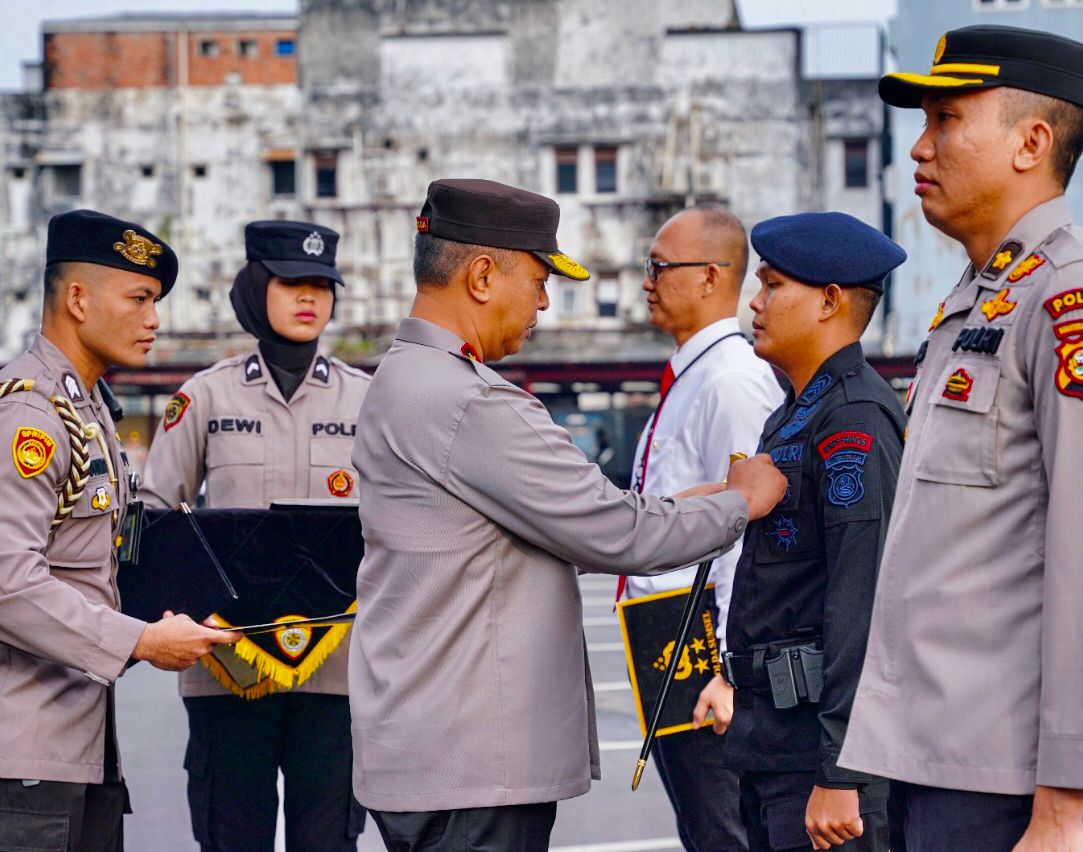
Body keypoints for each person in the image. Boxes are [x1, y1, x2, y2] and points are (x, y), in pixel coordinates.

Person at [350, 178, 788, 851]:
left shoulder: (404, 379)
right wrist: (742, 502)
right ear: (483, 274)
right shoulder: (470, 403)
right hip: (472, 767)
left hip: (432, 746)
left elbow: (582, 519)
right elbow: (616, 531)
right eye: (538, 278)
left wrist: (703, 499)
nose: (544, 301)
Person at [837, 25, 1083, 852]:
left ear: (1031, 142)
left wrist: (1065, 800)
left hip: (1007, 782)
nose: (919, 147)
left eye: (945, 120)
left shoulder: (1062, 302)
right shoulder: (972, 306)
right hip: (928, 762)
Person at [0, 209, 240, 851]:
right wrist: (139, 640)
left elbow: (102, 563)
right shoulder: (29, 416)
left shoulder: (87, 409)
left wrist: (190, 614)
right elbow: (7, 584)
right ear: (77, 298)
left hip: (76, 744)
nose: (154, 318)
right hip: (22, 759)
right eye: (138, 298)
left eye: (155, 301)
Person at [141, 221, 370, 851]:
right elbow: (158, 515)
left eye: (323, 285)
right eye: (292, 281)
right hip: (226, 665)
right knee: (230, 835)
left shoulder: (368, 402)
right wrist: (191, 617)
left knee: (328, 840)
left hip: (338, 672)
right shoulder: (206, 397)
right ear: (255, 288)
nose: (310, 297)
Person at [692, 212, 907, 851]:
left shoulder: (854, 419)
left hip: (820, 759)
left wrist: (842, 771)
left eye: (772, 286)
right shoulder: (792, 415)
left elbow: (862, 599)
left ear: (829, 302)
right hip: (772, 740)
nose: (754, 304)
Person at [618, 205, 783, 852]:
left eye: (658, 267)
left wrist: (728, 671)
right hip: (665, 633)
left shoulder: (732, 381)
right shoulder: (693, 376)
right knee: (702, 826)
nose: (645, 282)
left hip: (702, 641)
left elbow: (751, 528)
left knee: (724, 830)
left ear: (711, 277)